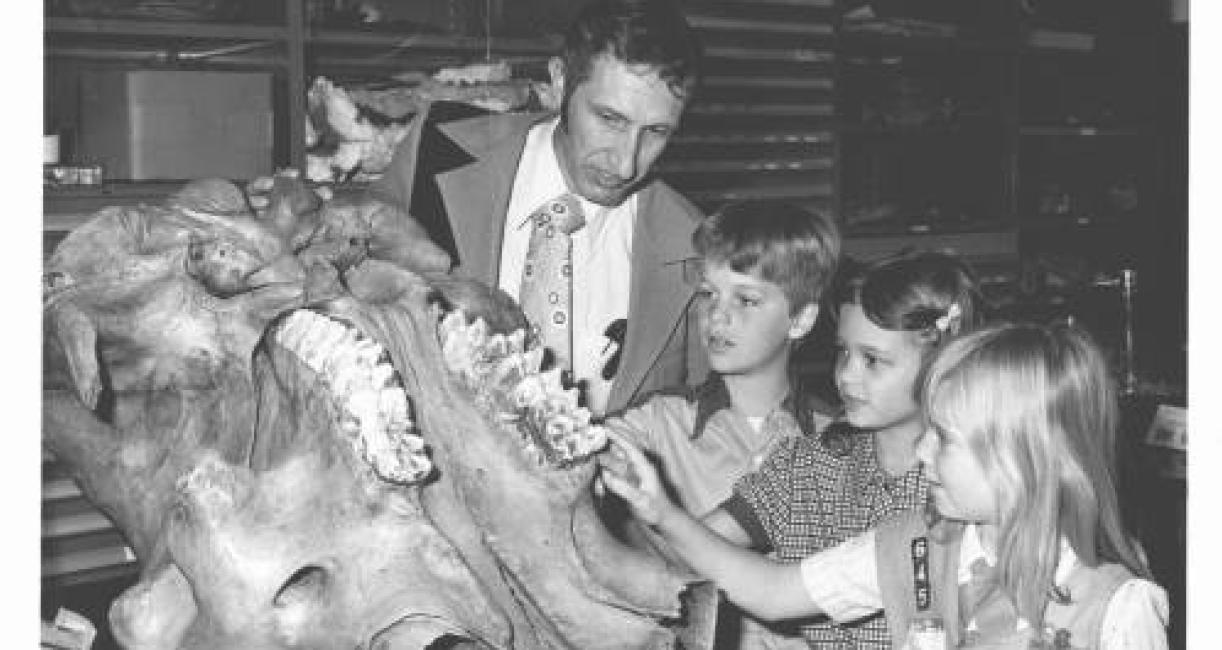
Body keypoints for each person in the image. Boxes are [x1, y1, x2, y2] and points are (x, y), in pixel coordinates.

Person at [602, 322, 1170, 649]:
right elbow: (771, 591)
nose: (922, 452)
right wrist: (660, 510)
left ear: (1022, 459)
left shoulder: (1117, 607)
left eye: (943, 438)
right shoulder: (913, 545)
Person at [370, 0, 706, 416]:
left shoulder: (694, 243)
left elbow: (704, 426)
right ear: (560, 83)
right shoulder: (437, 153)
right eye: (609, 119)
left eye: (655, 132)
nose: (626, 163)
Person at [701, 250, 986, 648]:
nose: (846, 374)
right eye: (844, 351)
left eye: (873, 360)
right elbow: (697, 548)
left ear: (943, 365)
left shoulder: (971, 494)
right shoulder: (805, 467)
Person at [602, 199, 841, 519]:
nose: (717, 315)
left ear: (799, 319)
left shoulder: (834, 439)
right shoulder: (658, 421)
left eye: (746, 299)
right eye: (708, 293)